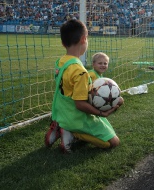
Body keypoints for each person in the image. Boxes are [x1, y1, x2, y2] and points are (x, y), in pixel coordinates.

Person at [44, 19, 123, 153]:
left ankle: (62, 128)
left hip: (61, 113)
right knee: (113, 143)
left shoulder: (61, 62)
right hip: (76, 117)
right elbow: (80, 104)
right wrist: (101, 113)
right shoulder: (80, 72)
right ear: (84, 39)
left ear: (63, 43)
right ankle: (71, 133)